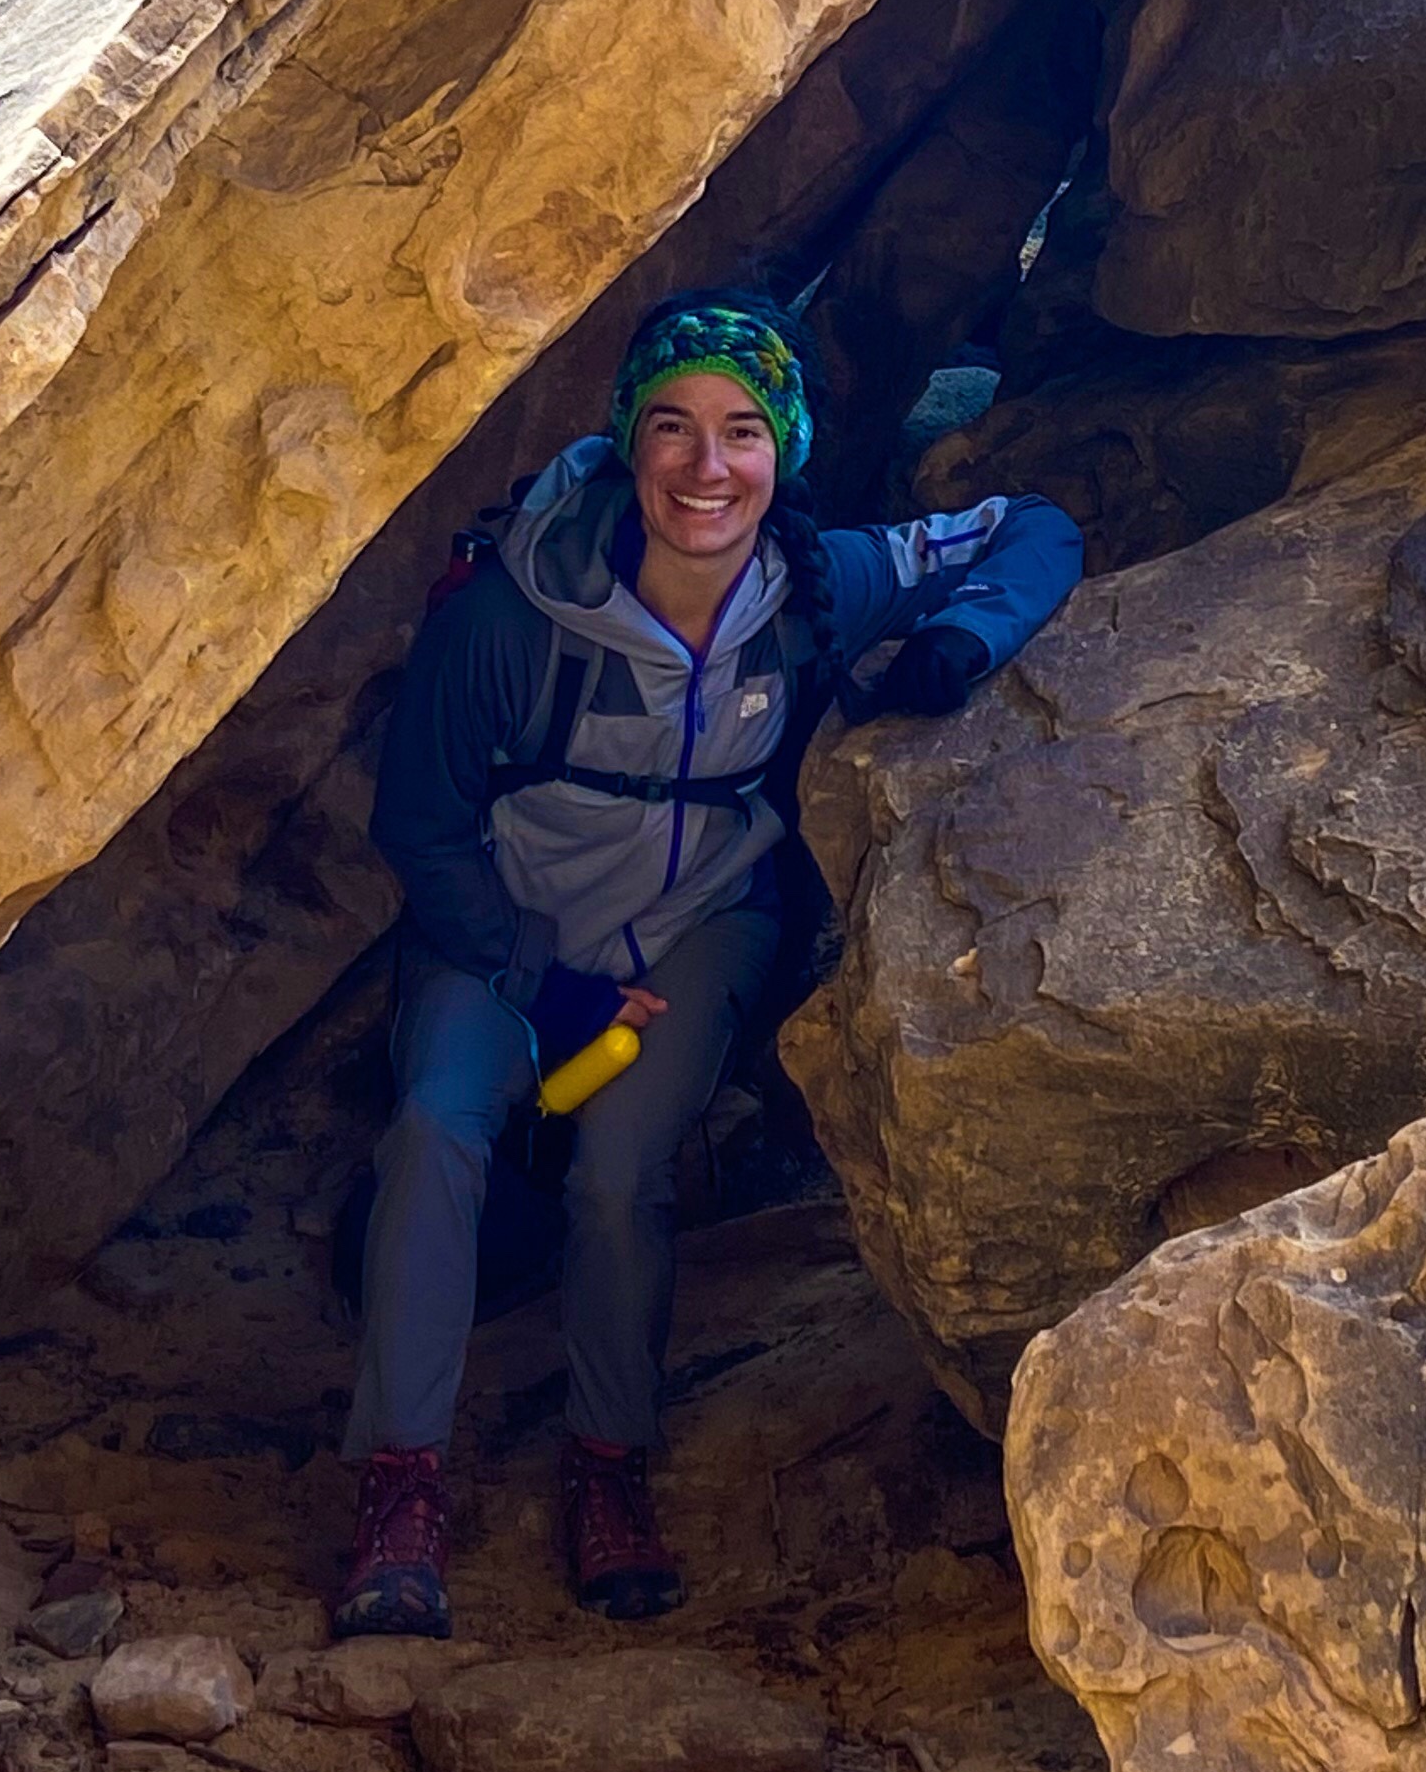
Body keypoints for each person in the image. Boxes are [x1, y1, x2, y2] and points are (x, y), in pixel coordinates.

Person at [336, 287, 1083, 1640]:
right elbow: (422, 828)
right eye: (672, 426)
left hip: (694, 924)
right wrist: (544, 982)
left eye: (743, 431)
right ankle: (402, 1485)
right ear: (628, 439)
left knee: (620, 1177)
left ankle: (608, 1464)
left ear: (783, 448)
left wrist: (960, 641)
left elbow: (1034, 528)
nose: (706, 467)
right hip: (504, 926)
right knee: (436, 1133)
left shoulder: (818, 584)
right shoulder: (508, 613)